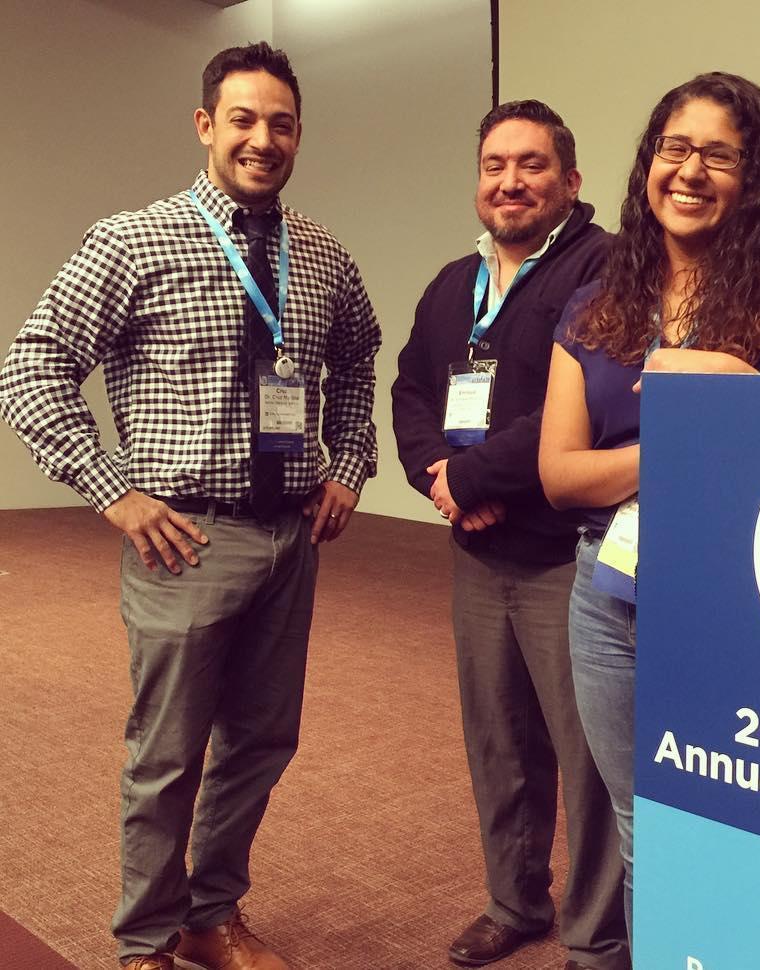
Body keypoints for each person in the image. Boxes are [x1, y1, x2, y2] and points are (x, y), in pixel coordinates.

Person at [0, 42, 380, 970]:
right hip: (186, 540)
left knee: (260, 742)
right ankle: (144, 943)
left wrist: (352, 463)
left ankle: (212, 916)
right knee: (166, 755)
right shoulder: (133, 240)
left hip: (291, 538)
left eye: (281, 123)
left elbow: (362, 359)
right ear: (206, 124)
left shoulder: (321, 254)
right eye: (243, 119)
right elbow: (29, 368)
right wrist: (113, 491)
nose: (263, 138)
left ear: (298, 135)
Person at [538, 72, 760, 942]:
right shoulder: (600, 301)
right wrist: (684, 442)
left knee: (754, 824)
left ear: (755, 176)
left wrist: (740, 388)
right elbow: (562, 476)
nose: (689, 171)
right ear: (648, 165)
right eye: (673, 150)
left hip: (749, 593)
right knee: (649, 831)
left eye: (718, 155)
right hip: (608, 594)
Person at [392, 101, 629, 970]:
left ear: (571, 181)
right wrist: (435, 478)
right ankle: (515, 900)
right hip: (478, 549)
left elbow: (575, 410)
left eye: (532, 165)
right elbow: (411, 389)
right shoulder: (455, 281)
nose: (510, 181)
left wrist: (474, 478)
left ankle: (596, 937)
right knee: (499, 742)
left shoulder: (606, 270)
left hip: (569, 555)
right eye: (495, 164)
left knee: (591, 755)